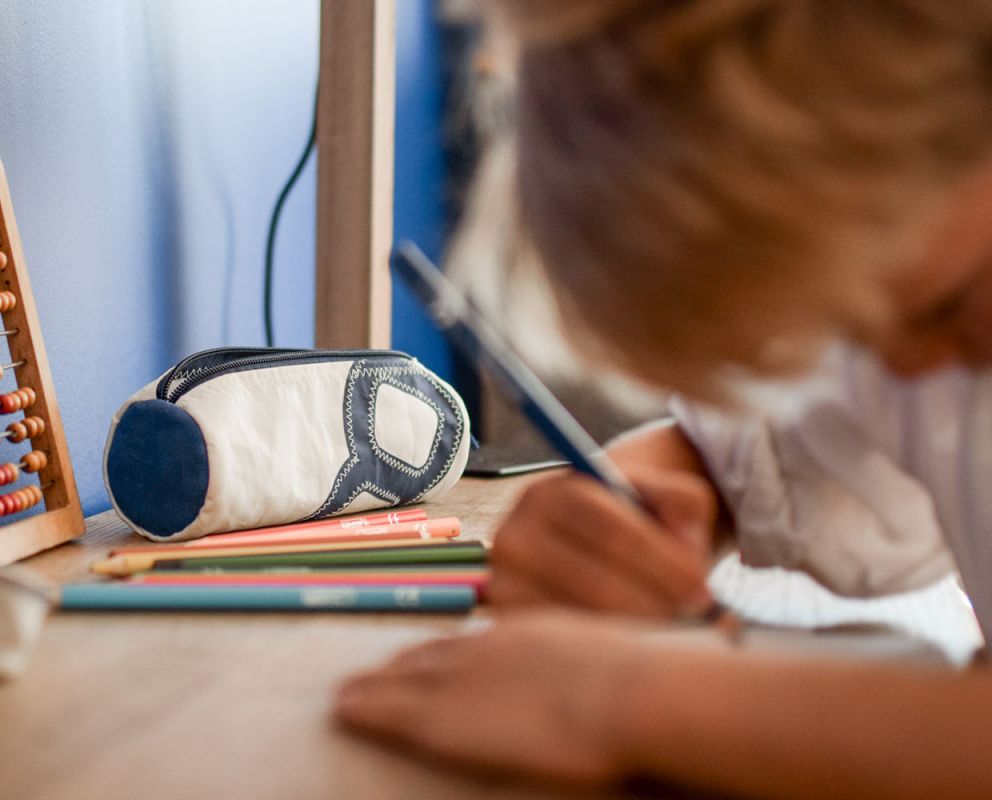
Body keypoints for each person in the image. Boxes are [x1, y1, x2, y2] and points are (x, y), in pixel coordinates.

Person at [333, 2, 992, 798]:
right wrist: (626, 505)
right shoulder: (930, 268)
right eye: (849, 328)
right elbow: (782, 447)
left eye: (952, 307)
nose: (914, 370)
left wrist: (628, 700)